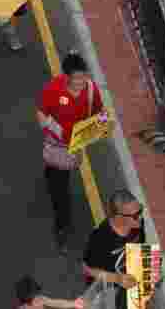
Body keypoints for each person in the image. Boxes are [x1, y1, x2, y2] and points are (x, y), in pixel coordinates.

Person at [36, 51, 104, 248]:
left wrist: (97, 127)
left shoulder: (91, 90)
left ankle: (60, 216)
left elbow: (101, 114)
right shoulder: (54, 89)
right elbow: (41, 113)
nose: (82, 82)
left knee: (59, 180)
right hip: (56, 144)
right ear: (66, 77)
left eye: (85, 76)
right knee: (60, 190)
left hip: (74, 147)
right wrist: (56, 129)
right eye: (77, 79)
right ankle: (62, 225)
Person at [83, 193, 147, 308]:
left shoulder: (137, 225)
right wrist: (118, 279)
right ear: (118, 217)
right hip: (105, 286)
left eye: (141, 210)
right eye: (135, 215)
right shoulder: (100, 238)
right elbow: (87, 269)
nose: (141, 217)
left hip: (126, 278)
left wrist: (147, 271)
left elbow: (139, 249)